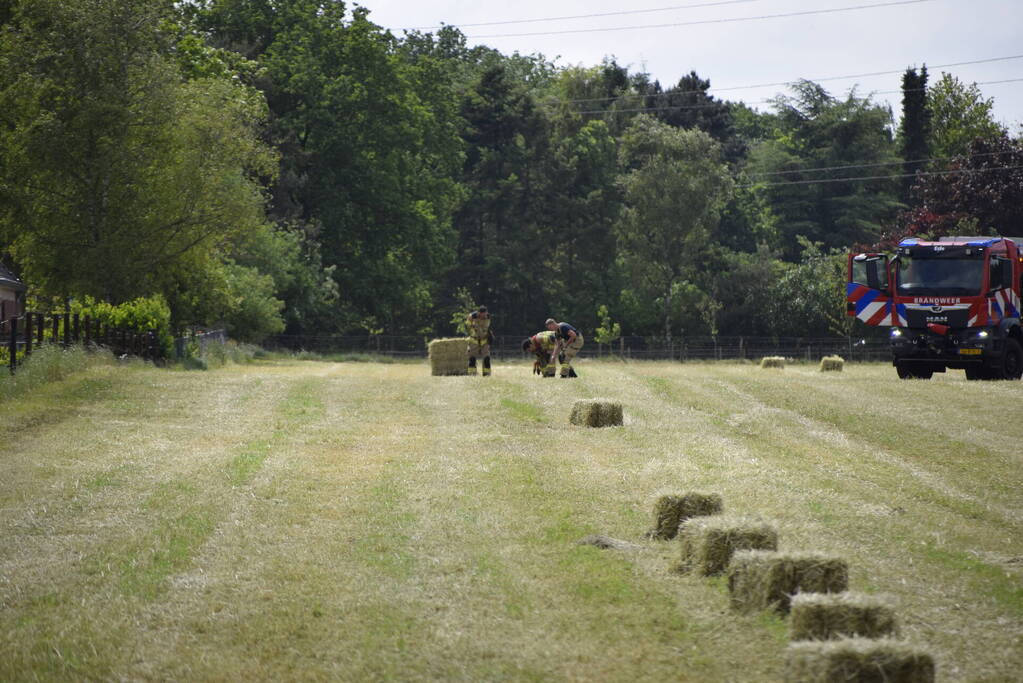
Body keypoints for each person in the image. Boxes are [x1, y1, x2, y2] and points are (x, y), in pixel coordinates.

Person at [466, 305, 493, 376]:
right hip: (474, 340)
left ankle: (487, 374)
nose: (484, 316)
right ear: (479, 313)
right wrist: (471, 320)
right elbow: (468, 325)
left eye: (485, 314)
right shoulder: (472, 317)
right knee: (472, 358)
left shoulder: (488, 317)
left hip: (484, 340)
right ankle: (472, 373)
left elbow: (486, 327)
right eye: (483, 315)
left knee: (487, 358)